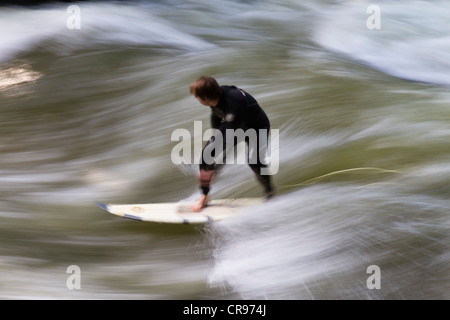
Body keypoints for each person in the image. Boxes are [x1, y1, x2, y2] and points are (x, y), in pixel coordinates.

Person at [189, 76, 275, 212]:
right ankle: (204, 196)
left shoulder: (234, 100)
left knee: (254, 161)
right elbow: (218, 122)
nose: (196, 99)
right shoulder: (215, 98)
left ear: (205, 97)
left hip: (258, 127)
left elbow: (230, 134)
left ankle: (270, 194)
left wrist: (214, 166)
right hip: (236, 125)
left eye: (197, 97)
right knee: (207, 155)